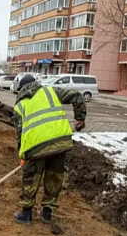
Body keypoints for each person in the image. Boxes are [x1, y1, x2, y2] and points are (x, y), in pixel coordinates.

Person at [12, 75, 86, 225]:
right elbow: (76, 96)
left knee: (31, 178)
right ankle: (47, 213)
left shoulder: (19, 106)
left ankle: (26, 214)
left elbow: (20, 134)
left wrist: (23, 155)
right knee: (54, 177)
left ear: (21, 89)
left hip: (36, 147)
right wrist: (80, 118)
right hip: (60, 142)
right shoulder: (50, 91)